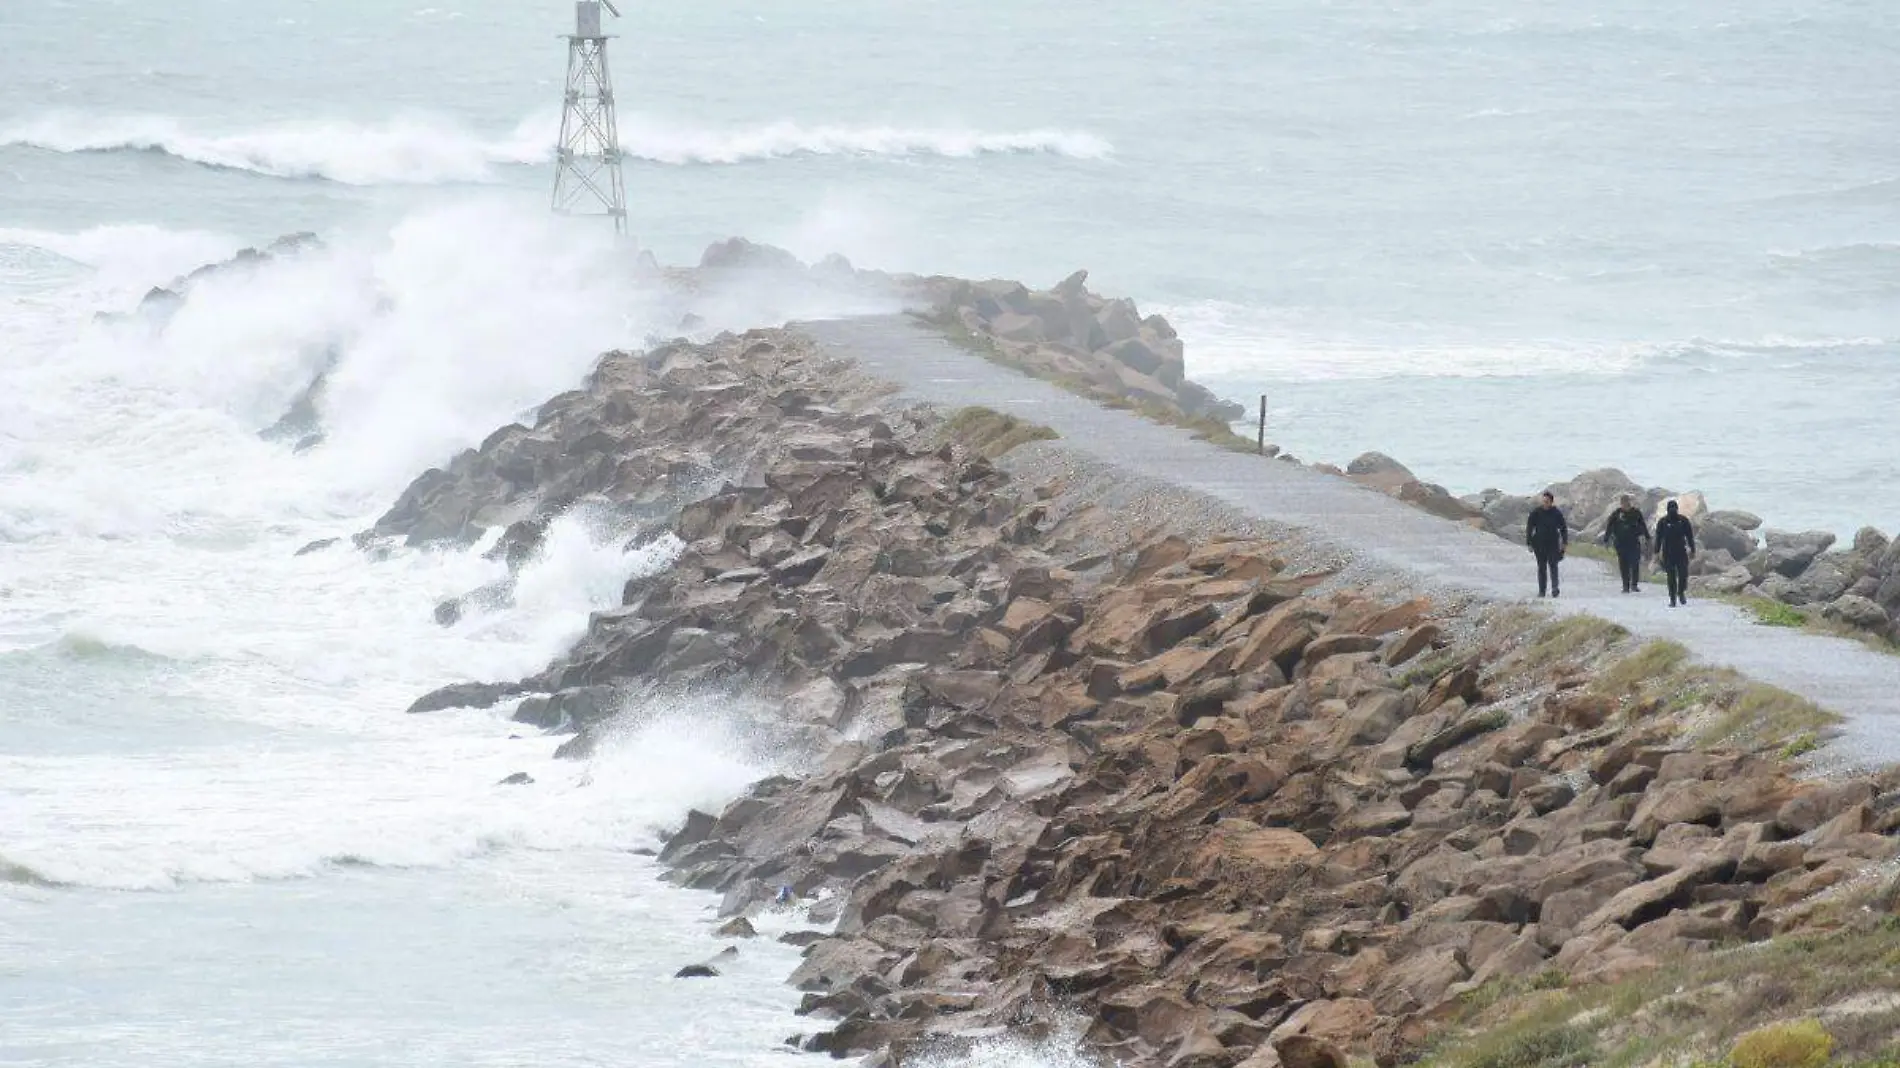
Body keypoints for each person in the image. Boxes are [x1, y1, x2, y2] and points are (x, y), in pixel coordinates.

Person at [1601, 494, 1652, 594]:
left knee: (1635, 563)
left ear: (1629, 502)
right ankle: (1625, 586)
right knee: (1623, 564)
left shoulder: (1636, 513)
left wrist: (1647, 537)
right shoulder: (1616, 513)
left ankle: (1634, 585)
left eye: (1626, 502)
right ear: (1621, 503)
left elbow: (1643, 525)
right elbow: (1609, 527)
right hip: (1620, 543)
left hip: (1633, 542)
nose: (1625, 504)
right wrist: (1606, 540)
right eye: (1623, 502)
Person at [1525, 491, 1569, 598]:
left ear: (1551, 502)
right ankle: (1542, 591)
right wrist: (1529, 543)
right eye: (1543, 501)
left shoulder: (1556, 513)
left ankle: (1555, 588)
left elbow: (1563, 528)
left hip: (1553, 543)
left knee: (1553, 565)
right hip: (1539, 544)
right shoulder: (1536, 512)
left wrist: (1564, 542)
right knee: (1541, 568)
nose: (1545, 503)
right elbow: (1529, 528)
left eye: (1547, 501)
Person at [1655, 500, 1697, 607]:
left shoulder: (1683, 520)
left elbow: (1690, 536)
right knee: (1671, 577)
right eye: (1670, 508)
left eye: (1674, 508)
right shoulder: (1663, 522)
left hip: (1681, 552)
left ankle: (1681, 592)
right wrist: (1656, 552)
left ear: (1677, 509)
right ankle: (1672, 599)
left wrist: (1692, 549)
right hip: (1667, 553)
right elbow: (1658, 539)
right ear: (1667, 510)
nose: (1673, 510)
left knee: (1683, 574)